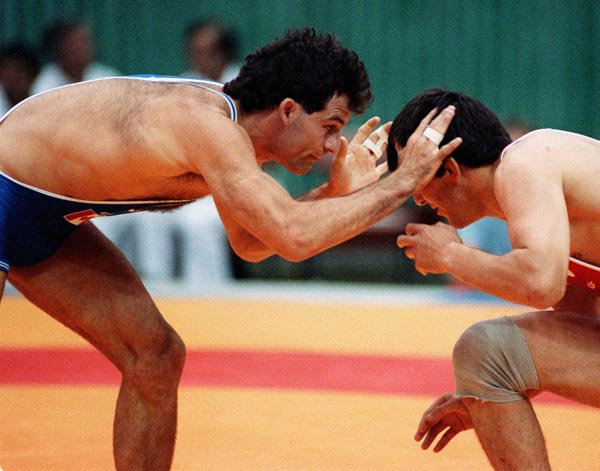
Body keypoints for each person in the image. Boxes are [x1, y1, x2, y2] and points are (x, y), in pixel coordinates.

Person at [0, 29, 459, 470]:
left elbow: (252, 243)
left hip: (46, 215)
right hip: (7, 193)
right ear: (287, 110)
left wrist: (336, 193)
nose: (332, 146)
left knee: (155, 356)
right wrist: (404, 181)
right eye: (331, 126)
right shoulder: (208, 128)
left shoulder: (234, 134)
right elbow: (294, 237)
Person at [390, 88, 600, 470]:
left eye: (415, 175)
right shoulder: (550, 208)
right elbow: (576, 321)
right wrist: (484, 396)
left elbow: (540, 284)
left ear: (450, 170)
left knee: (483, 349)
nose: (417, 198)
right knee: (488, 359)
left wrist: (450, 255)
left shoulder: (525, 161)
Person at [31, 18, 119, 94]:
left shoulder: (107, 76)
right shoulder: (45, 86)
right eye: (76, 43)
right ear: (59, 48)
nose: (84, 48)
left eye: (85, 41)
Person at [0, 43, 40, 116]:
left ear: (32, 76)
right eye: (8, 77)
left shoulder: (45, 96)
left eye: (18, 77)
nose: (13, 84)